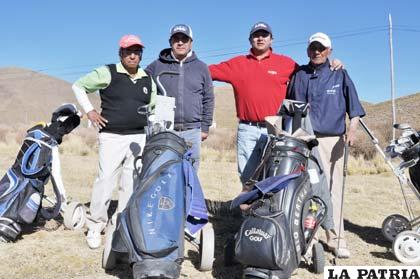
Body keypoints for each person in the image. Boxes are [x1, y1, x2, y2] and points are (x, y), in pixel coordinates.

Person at [209, 22, 342, 187]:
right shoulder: (237, 64)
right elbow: (207, 72)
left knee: (274, 174)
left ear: (271, 39)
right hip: (247, 130)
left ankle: (269, 211)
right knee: (247, 176)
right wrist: (185, 64)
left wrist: (331, 64)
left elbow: (309, 72)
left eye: (264, 35)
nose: (260, 38)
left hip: (275, 129)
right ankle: (249, 210)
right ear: (250, 39)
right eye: (256, 35)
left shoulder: (285, 63)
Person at [71, 34, 156, 249]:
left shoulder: (148, 78)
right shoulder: (108, 72)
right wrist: (89, 111)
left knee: (130, 183)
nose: (133, 55)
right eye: (128, 51)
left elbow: (152, 110)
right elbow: (79, 86)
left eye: (137, 51)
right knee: (106, 180)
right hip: (112, 137)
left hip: (138, 137)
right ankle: (95, 225)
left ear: (141, 55)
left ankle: (121, 225)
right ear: (121, 53)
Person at [287, 32, 366, 258]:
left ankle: (335, 238)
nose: (317, 52)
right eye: (313, 48)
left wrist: (352, 130)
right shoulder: (299, 75)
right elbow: (289, 105)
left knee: (333, 189)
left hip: (332, 141)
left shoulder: (339, 73)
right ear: (307, 50)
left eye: (321, 48)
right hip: (304, 140)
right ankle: (306, 239)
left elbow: (355, 109)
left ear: (329, 51)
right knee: (307, 189)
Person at [146, 24, 214, 170]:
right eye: (176, 39)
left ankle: (188, 194)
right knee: (163, 171)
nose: (180, 42)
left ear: (191, 43)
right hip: (165, 130)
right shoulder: (156, 66)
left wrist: (205, 127)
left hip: (192, 131)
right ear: (170, 42)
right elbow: (141, 87)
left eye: (185, 39)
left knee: (190, 174)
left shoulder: (201, 67)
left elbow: (208, 98)